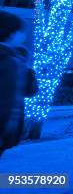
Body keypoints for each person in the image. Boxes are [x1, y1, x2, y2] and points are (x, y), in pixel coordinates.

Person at [0, 11, 37, 158]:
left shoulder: (15, 60)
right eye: (21, 32)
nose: (24, 36)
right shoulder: (11, 61)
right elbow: (27, 92)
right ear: (11, 34)